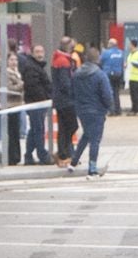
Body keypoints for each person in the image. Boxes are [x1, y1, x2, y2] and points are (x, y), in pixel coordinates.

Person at [71, 47, 114, 177]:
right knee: (95, 139)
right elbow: (107, 95)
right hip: (97, 110)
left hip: (81, 110)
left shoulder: (77, 74)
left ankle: (73, 162)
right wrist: (108, 107)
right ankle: (92, 168)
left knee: (87, 135)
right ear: (98, 58)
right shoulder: (99, 74)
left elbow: (72, 92)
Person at [51, 37, 78, 169]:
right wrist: (74, 92)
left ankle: (64, 153)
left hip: (60, 100)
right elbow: (65, 83)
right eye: (72, 46)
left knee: (64, 127)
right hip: (66, 100)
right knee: (71, 126)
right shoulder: (63, 61)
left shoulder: (60, 59)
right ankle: (63, 153)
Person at [100, 38, 126, 116]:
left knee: (109, 92)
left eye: (108, 43)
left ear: (111, 44)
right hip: (118, 74)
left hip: (109, 74)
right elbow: (122, 63)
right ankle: (118, 109)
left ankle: (112, 110)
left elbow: (100, 61)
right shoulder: (121, 53)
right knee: (116, 92)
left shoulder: (106, 53)